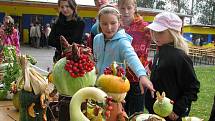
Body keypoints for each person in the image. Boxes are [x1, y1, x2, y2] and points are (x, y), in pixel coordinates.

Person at [93, 4, 155, 108]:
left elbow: (132, 57)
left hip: (115, 90)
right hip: (98, 86)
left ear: (119, 22)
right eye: (104, 24)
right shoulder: (97, 39)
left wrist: (142, 75)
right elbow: (96, 59)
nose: (109, 27)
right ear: (99, 24)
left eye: (113, 23)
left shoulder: (122, 42)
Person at [145, 12, 200, 121]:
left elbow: (193, 87)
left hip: (171, 114)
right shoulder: (160, 52)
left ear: (173, 33)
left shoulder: (180, 57)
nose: (155, 35)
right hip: (157, 112)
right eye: (153, 31)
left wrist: (177, 110)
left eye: (160, 32)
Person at [47, 0, 85, 121]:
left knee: (73, 88)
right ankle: (62, 112)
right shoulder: (57, 22)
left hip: (74, 60)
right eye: (62, 6)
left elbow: (76, 41)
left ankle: (75, 113)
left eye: (68, 6)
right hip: (59, 59)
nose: (65, 9)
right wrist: (64, 43)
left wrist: (61, 40)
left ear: (73, 7)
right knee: (60, 87)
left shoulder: (80, 22)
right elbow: (50, 41)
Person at [118, 0, 152, 116]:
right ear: (118, 8)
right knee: (120, 113)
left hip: (138, 79)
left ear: (134, 8)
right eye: (122, 8)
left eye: (129, 8)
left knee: (137, 115)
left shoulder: (145, 27)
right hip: (119, 78)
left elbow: (161, 39)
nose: (126, 12)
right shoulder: (116, 26)